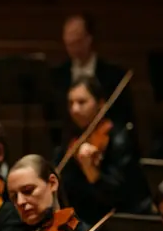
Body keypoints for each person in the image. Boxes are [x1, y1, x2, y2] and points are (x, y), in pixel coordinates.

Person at [55, 76, 150, 223]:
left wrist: (91, 170)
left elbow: (120, 195)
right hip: (80, 219)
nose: (74, 109)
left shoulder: (118, 138)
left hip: (112, 221)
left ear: (101, 103)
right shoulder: (71, 138)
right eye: (71, 103)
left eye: (82, 102)